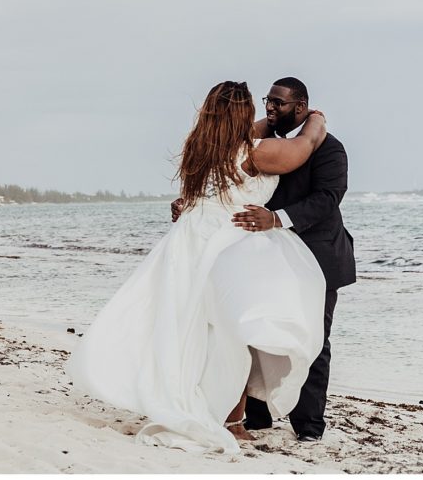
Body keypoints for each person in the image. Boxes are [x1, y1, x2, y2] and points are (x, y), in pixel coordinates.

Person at [67, 81, 328, 454]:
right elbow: (303, 147)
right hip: (229, 241)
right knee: (229, 332)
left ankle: (219, 409)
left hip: (190, 240)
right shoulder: (256, 154)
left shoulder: (201, 150)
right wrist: (317, 119)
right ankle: (232, 420)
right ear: (239, 115)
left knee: (194, 329)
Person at [187, 76, 354, 442]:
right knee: (256, 331)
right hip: (262, 256)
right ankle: (256, 418)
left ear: (301, 106)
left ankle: (308, 426)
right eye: (268, 101)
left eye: (279, 103)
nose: (271, 108)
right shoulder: (260, 145)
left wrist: (278, 219)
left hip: (317, 253)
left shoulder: (329, 149)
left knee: (312, 339)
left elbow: (327, 199)